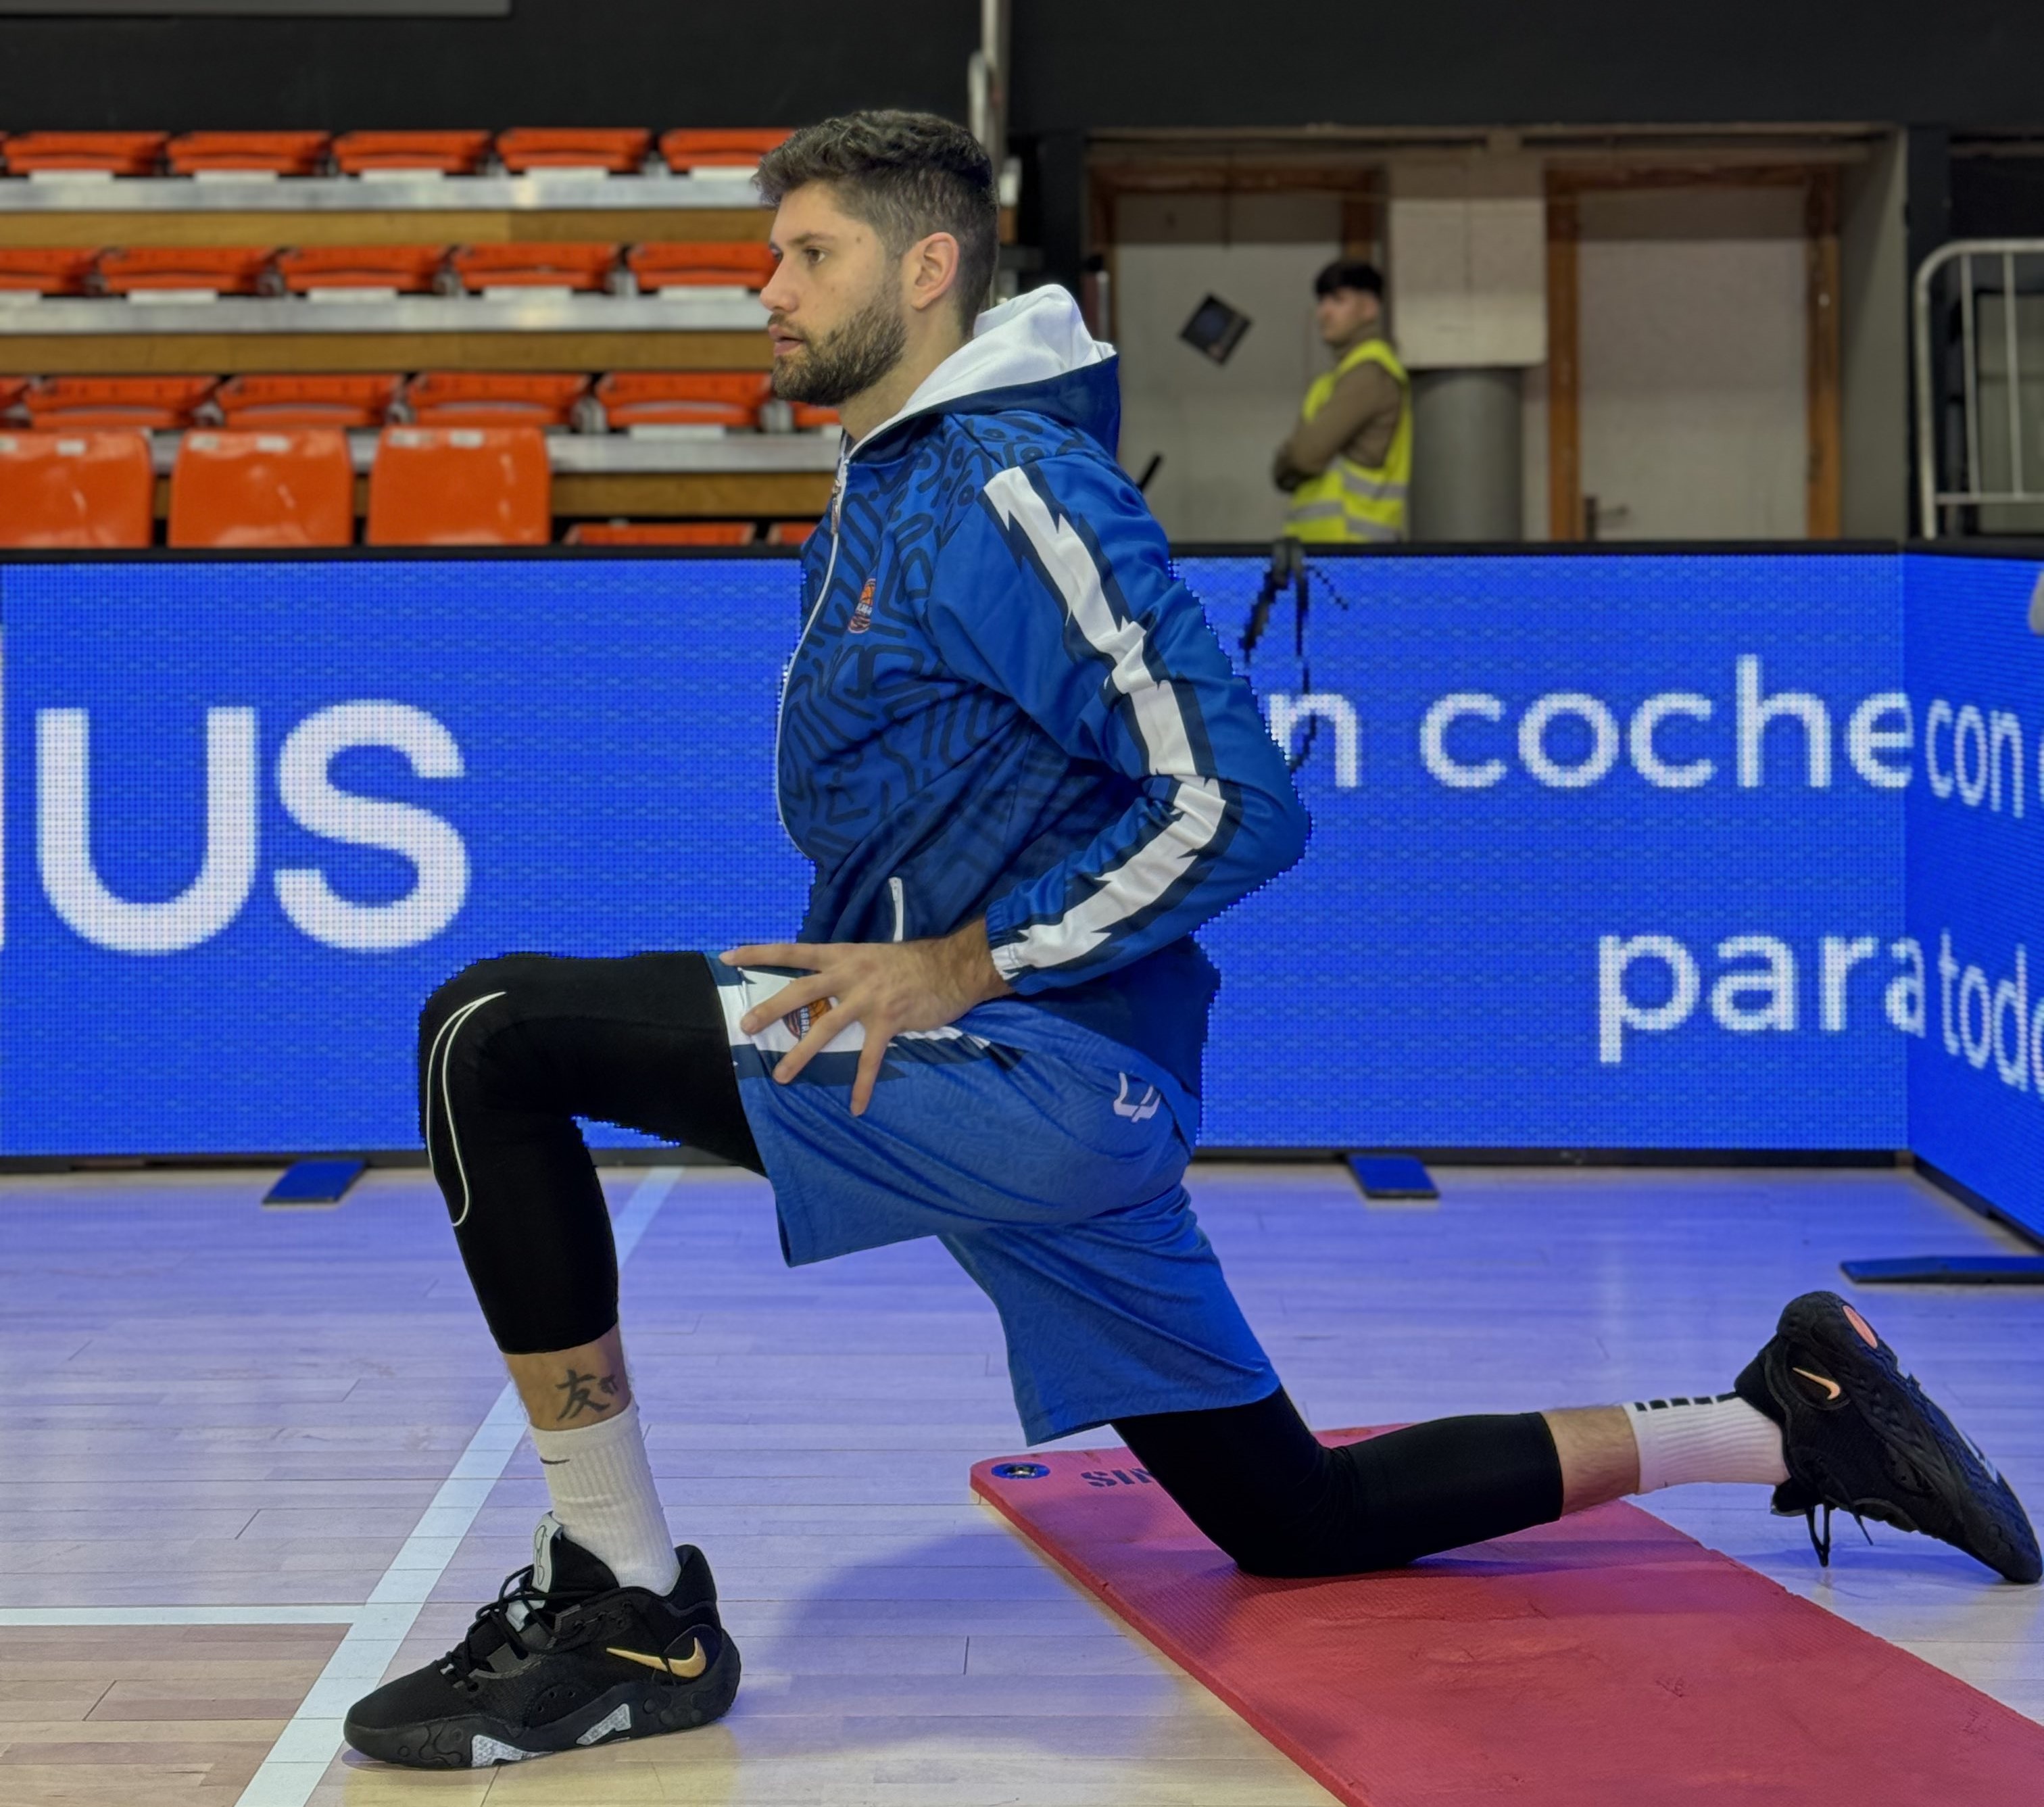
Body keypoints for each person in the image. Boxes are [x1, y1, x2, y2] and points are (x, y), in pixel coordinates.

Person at [343, 111, 2039, 1773]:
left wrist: (961, 963)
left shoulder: (1016, 484)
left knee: (491, 1034)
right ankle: (1780, 1412)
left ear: (927, 268)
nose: (767, 289)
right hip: (1048, 1084)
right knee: (1295, 1513)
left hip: (1029, 1069)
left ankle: (627, 1599)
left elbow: (1240, 799)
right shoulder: (892, 478)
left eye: (809, 254)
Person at [1272, 259, 1411, 543]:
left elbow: (1304, 455)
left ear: (1369, 308)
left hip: (1353, 549)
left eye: (1338, 300)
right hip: (1329, 549)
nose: (1324, 312)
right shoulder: (1336, 378)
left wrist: (1287, 462)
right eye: (1322, 301)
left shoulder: (1370, 372)